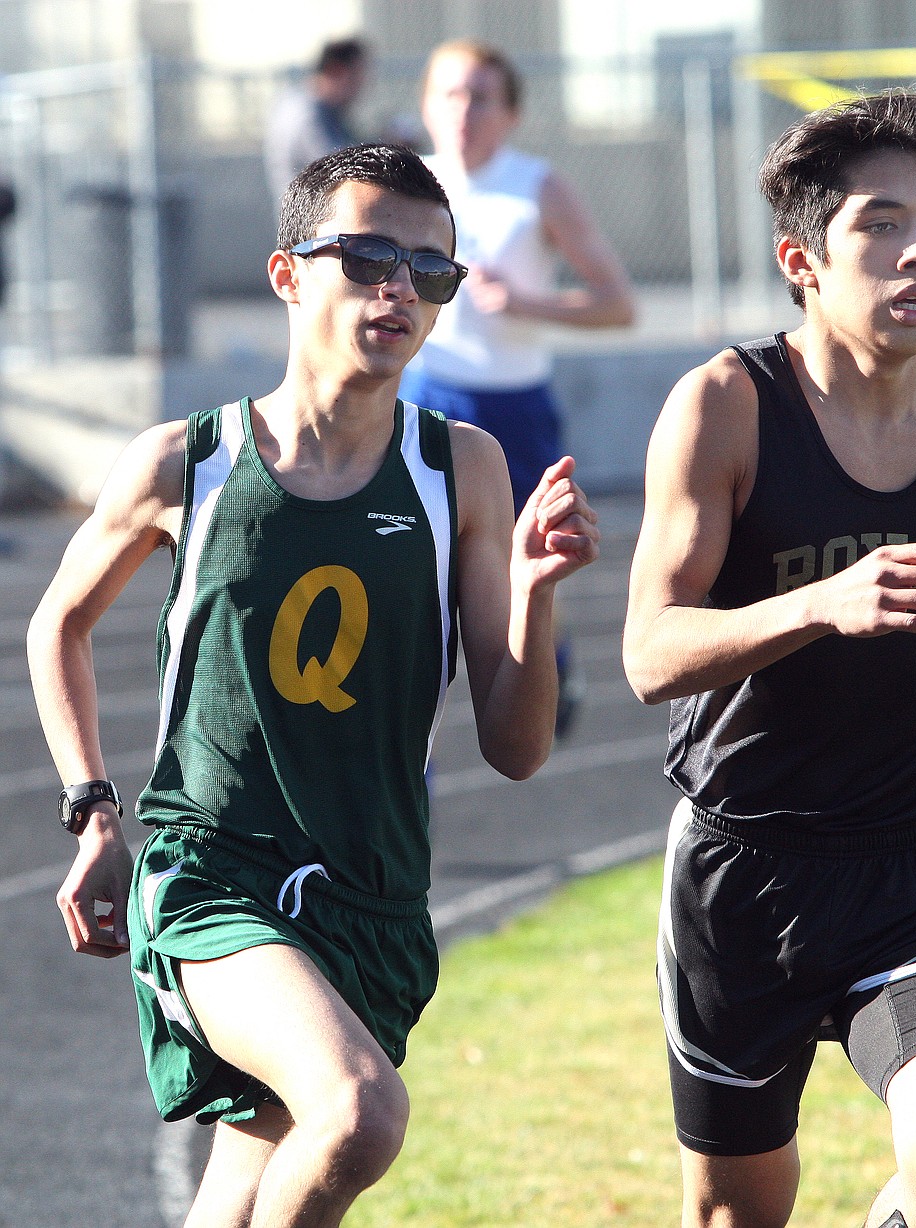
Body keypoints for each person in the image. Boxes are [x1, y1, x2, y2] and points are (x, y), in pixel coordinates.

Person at [27, 142, 599, 1228]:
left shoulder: (461, 468)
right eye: (371, 256)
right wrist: (93, 810)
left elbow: (517, 747)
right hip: (213, 878)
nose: (401, 290)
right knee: (358, 1112)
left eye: (432, 272)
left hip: (373, 899)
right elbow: (57, 624)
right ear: (289, 273)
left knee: (243, 1202)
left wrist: (532, 588)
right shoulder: (184, 463)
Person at [622, 89, 916, 1228]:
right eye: (879, 222)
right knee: (735, 1213)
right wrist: (825, 600)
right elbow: (650, 650)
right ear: (804, 259)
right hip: (744, 872)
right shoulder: (727, 407)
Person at [400, 38, 635, 737]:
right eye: (450, 94)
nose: (464, 111)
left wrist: (526, 306)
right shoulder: (410, 186)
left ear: (509, 113)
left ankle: (549, 652)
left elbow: (617, 304)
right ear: (426, 105)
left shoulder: (537, 186)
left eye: (481, 97)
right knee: (419, 565)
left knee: (528, 556)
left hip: (514, 409)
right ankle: (414, 710)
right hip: (425, 394)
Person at [265, 37, 369, 209]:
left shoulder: (302, 103)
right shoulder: (309, 115)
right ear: (337, 71)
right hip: (312, 225)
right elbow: (342, 170)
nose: (363, 84)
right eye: (357, 75)